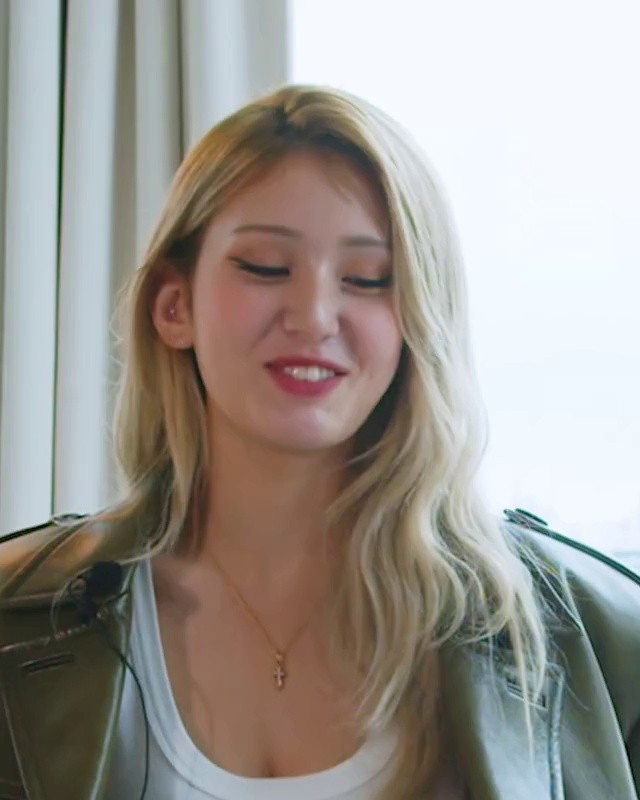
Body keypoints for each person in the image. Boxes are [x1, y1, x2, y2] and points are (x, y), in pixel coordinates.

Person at [0, 85, 638, 800]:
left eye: (368, 279)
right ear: (174, 305)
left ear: (418, 320)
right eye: (265, 267)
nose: (313, 315)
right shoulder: (15, 618)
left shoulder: (591, 637)